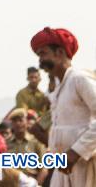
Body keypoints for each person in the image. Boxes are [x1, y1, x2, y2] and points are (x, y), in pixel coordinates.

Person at [30, 27, 96, 186]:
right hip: (63, 165)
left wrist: (76, 152)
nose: (40, 61)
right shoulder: (57, 88)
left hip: (84, 163)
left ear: (59, 53)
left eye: (43, 54)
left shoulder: (79, 79)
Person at [4, 108, 47, 184]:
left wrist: (36, 185)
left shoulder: (36, 142)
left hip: (31, 181)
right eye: (15, 121)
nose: (18, 123)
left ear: (26, 122)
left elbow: (43, 168)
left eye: (20, 120)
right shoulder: (5, 143)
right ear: (11, 124)